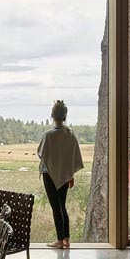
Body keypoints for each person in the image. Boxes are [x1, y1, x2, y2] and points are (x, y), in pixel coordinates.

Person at [37, 99, 84, 249]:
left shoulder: (48, 135)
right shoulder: (70, 134)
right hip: (65, 175)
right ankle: (66, 239)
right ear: (65, 116)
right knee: (62, 206)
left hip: (48, 175)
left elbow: (42, 154)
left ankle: (59, 240)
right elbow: (71, 157)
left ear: (52, 115)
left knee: (56, 208)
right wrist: (70, 174)